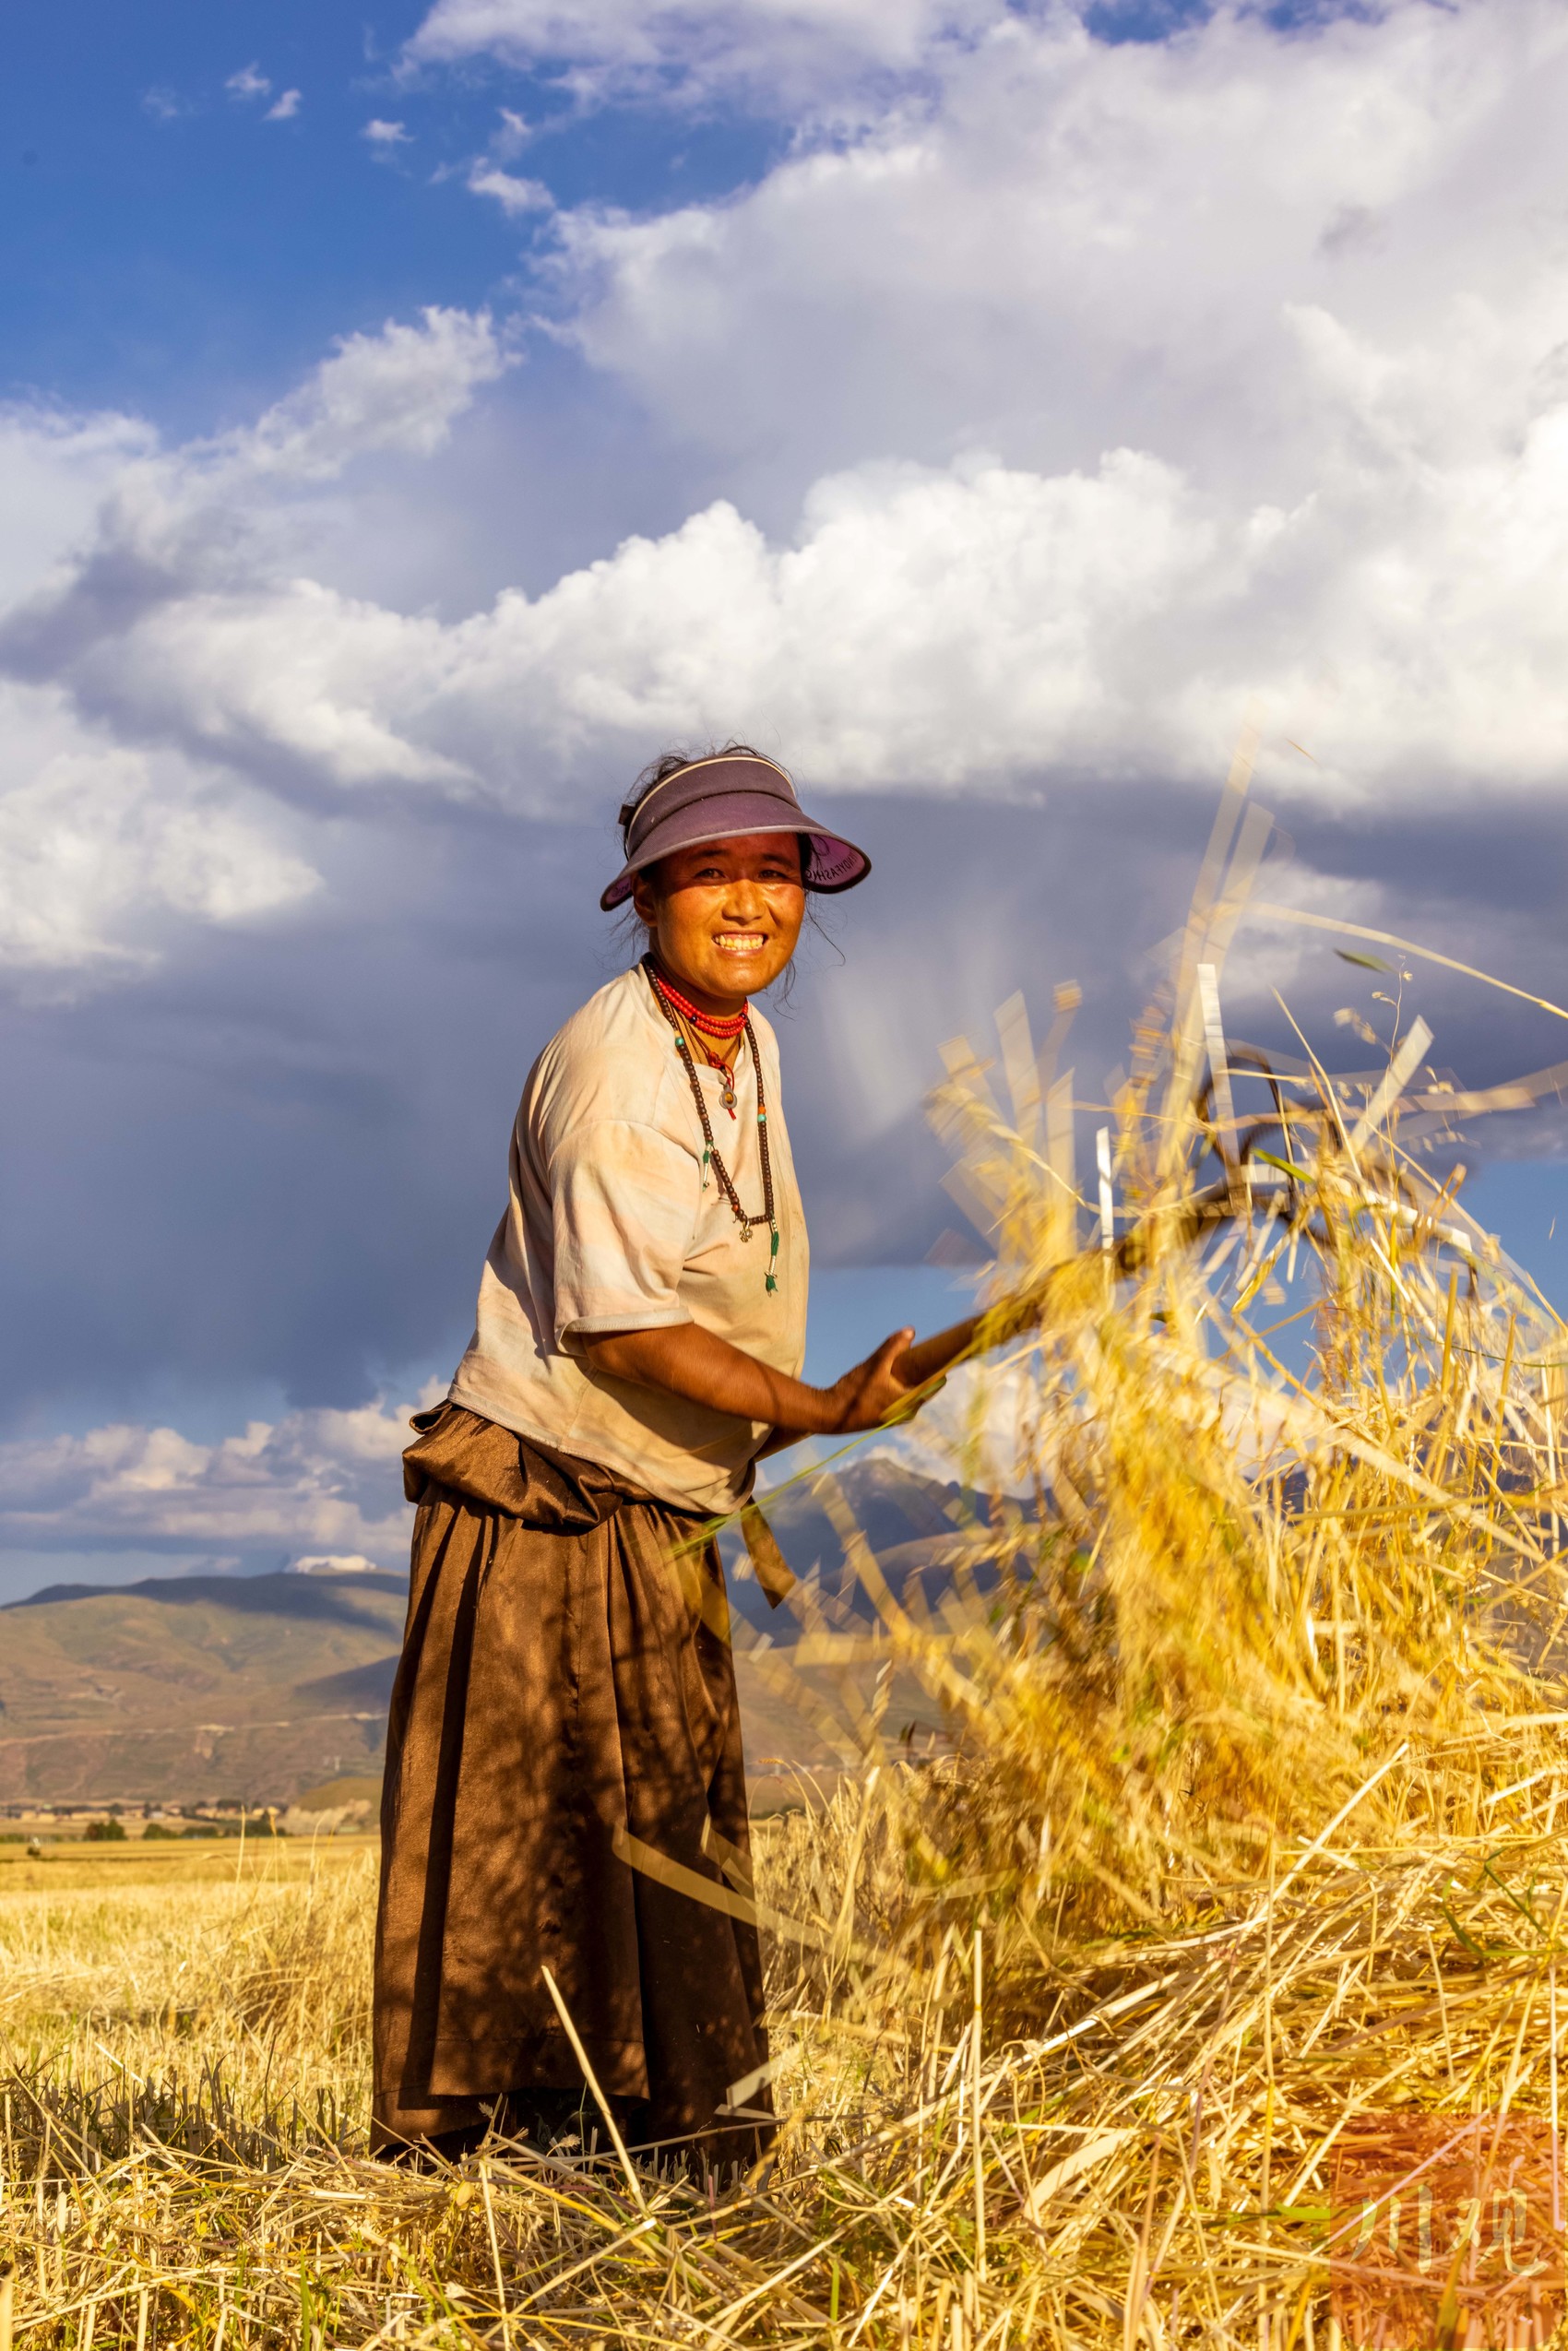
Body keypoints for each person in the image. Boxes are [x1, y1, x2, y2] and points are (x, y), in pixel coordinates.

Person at [371, 746, 944, 2170]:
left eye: (775, 870)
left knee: (662, 1836)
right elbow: (622, 1327)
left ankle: (663, 2153)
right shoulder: (618, 1069)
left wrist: (786, 1414)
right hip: (550, 1503)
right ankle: (492, 2163)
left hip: (660, 1504)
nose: (751, 899)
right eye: (712, 872)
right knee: (533, 1845)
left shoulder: (739, 1039)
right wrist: (814, 1405)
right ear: (649, 897)